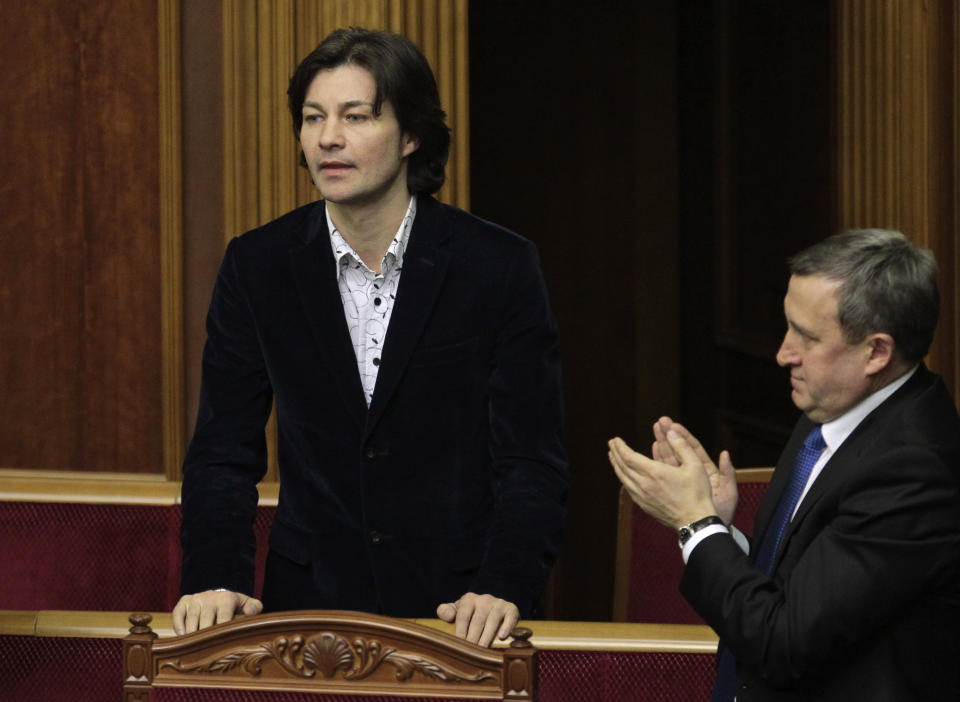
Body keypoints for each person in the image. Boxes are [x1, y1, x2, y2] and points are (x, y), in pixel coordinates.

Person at [173, 27, 567, 647]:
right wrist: (217, 579)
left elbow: (531, 462)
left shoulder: (498, 266)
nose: (328, 137)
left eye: (355, 116)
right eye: (312, 118)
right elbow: (223, 454)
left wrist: (504, 585)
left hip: (461, 614)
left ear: (411, 135)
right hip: (308, 612)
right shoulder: (258, 265)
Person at [609, 229, 960, 700]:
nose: (782, 354)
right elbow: (799, 590)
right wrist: (718, 525)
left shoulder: (915, 469)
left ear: (876, 352)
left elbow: (782, 643)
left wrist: (695, 525)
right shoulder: (834, 409)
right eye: (787, 325)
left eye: (807, 337)